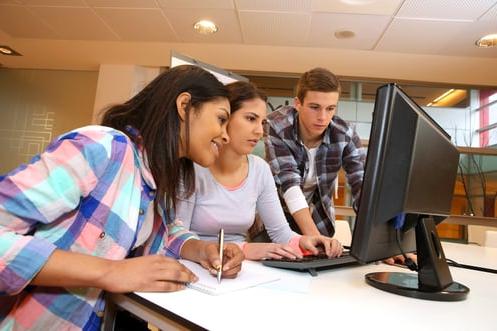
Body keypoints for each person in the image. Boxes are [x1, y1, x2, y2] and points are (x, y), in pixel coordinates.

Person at [0, 65, 244, 331]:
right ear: (184, 106)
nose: (226, 136)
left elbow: (165, 234)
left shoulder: (156, 179)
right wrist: (110, 271)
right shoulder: (102, 146)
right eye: (221, 120)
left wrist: (202, 250)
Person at [175, 81, 343, 261]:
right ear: (224, 118)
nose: (259, 131)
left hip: (240, 267)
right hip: (195, 263)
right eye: (250, 119)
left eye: (262, 122)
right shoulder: (192, 166)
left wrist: (305, 241)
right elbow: (176, 236)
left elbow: (281, 233)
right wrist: (246, 249)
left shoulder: (260, 169)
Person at [264, 67, 365, 238]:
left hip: (318, 216)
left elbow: (362, 184)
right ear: (298, 104)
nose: (323, 117)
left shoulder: (345, 133)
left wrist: (383, 241)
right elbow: (289, 183)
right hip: (276, 215)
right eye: (314, 107)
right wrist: (314, 237)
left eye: (330, 108)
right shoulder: (277, 125)